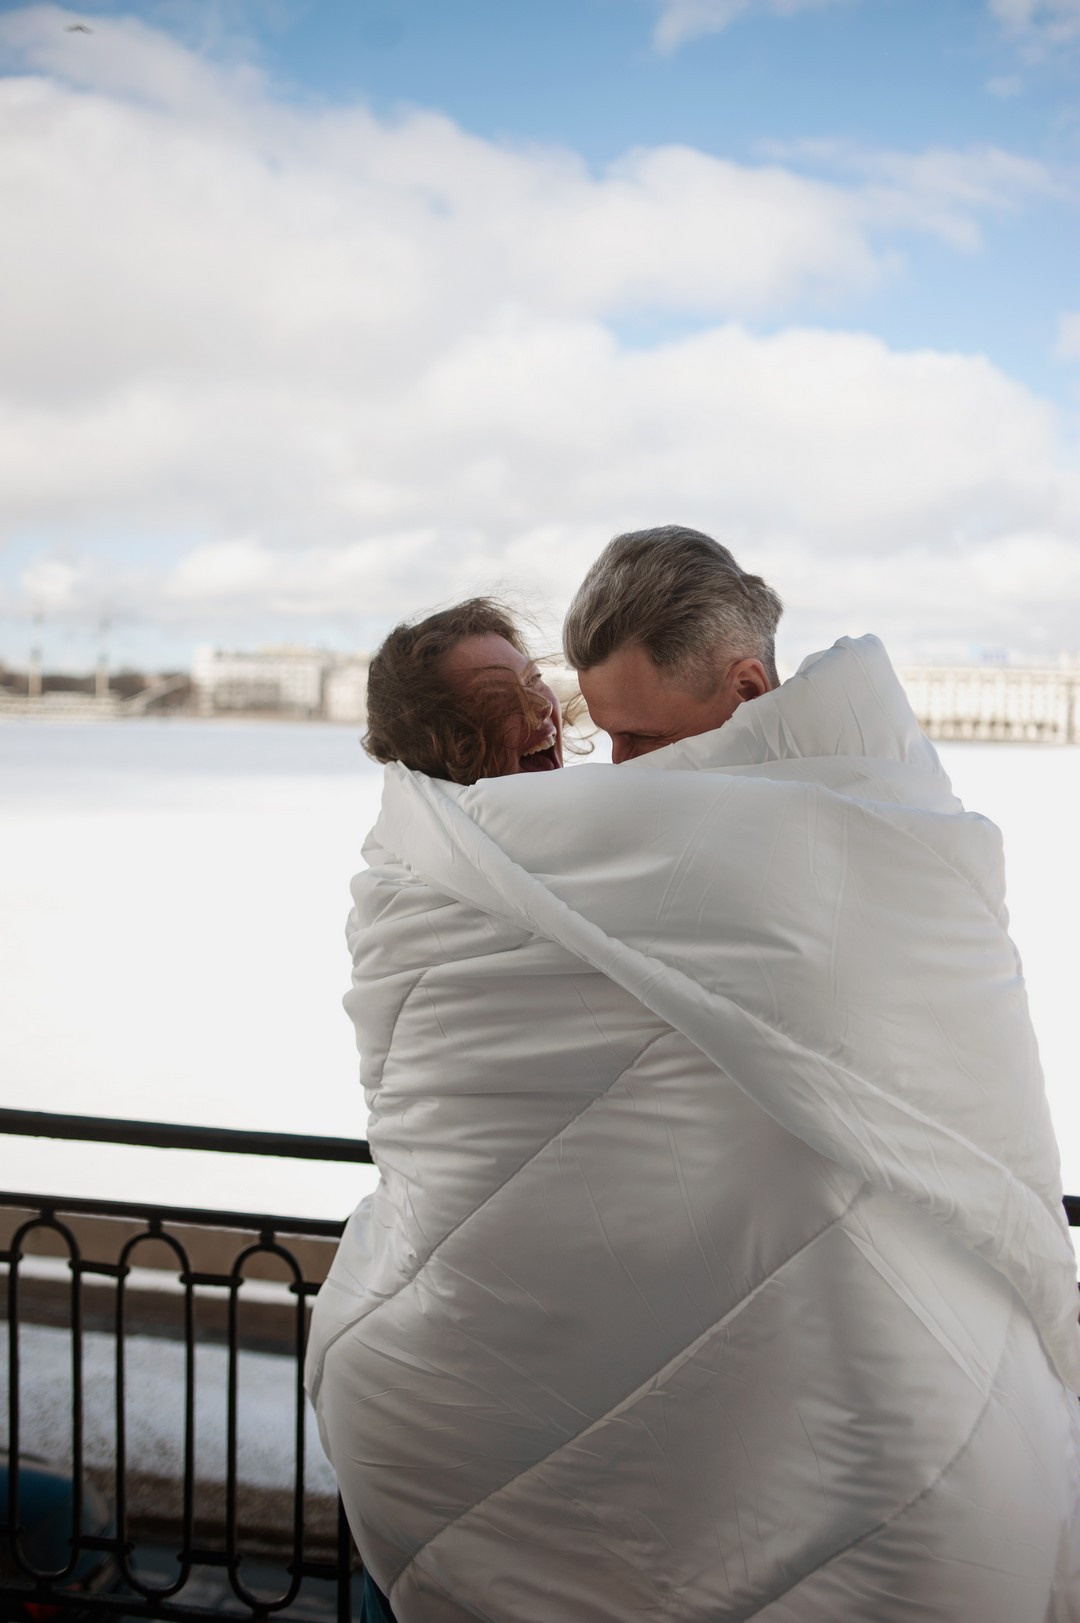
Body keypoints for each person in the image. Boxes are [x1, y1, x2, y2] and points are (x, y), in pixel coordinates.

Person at [308, 529, 1080, 1621]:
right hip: (524, 1361)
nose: (607, 770)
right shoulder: (462, 871)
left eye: (539, 691)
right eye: (504, 699)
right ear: (434, 738)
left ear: (748, 688)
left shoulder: (809, 848)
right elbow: (457, 1105)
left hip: (805, 1382)